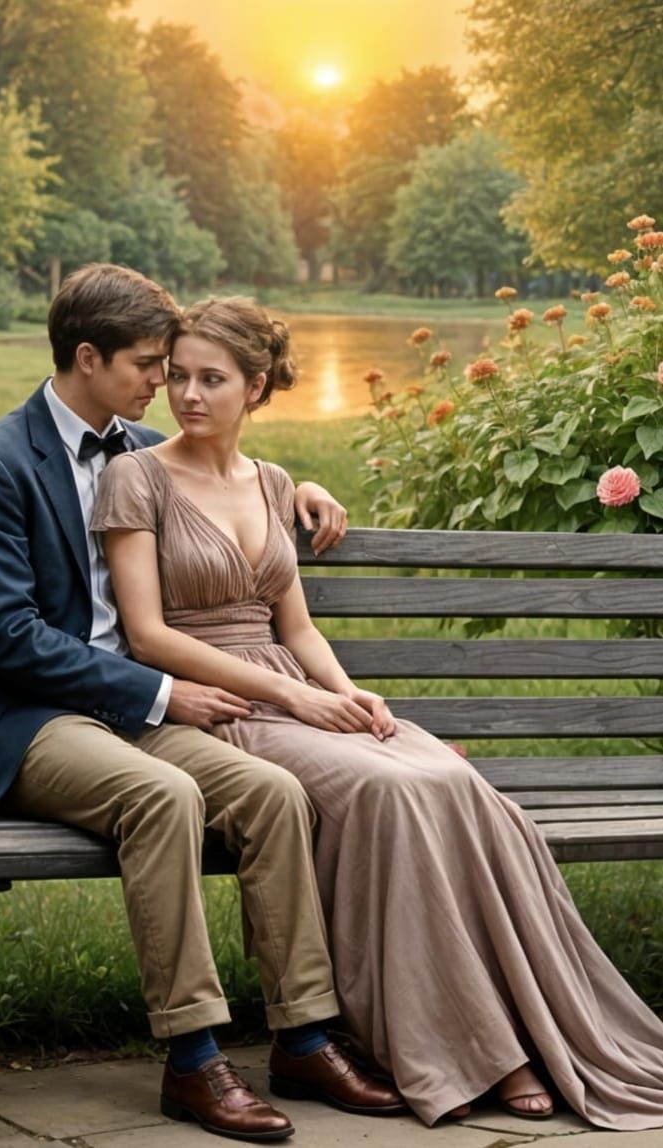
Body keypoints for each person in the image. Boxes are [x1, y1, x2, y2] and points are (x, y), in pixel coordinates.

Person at [91, 294, 663, 1131]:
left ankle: (518, 1032)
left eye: (211, 379)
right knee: (386, 791)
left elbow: (296, 627)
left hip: (294, 686)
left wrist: (345, 691)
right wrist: (291, 696)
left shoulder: (273, 482)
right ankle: (468, 1048)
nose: (186, 395)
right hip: (213, 705)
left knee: (448, 779)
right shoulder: (134, 477)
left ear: (256, 387)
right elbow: (144, 635)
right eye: (176, 376)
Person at [0, 265, 406, 1143]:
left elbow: (219, 474)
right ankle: (194, 1056)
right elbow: (8, 637)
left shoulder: (134, 448)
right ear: (86, 358)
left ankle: (304, 1034)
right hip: (22, 720)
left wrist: (301, 488)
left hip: (129, 711)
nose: (165, 383)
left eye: (172, 367)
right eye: (147, 364)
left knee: (271, 794)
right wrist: (159, 689)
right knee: (160, 796)